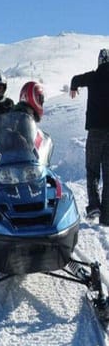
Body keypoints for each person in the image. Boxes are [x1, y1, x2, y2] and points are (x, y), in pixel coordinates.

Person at [70, 48, 109, 222]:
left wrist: (73, 88)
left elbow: (76, 79)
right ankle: (107, 214)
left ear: (99, 61)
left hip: (95, 131)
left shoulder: (93, 76)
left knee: (92, 170)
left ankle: (94, 206)